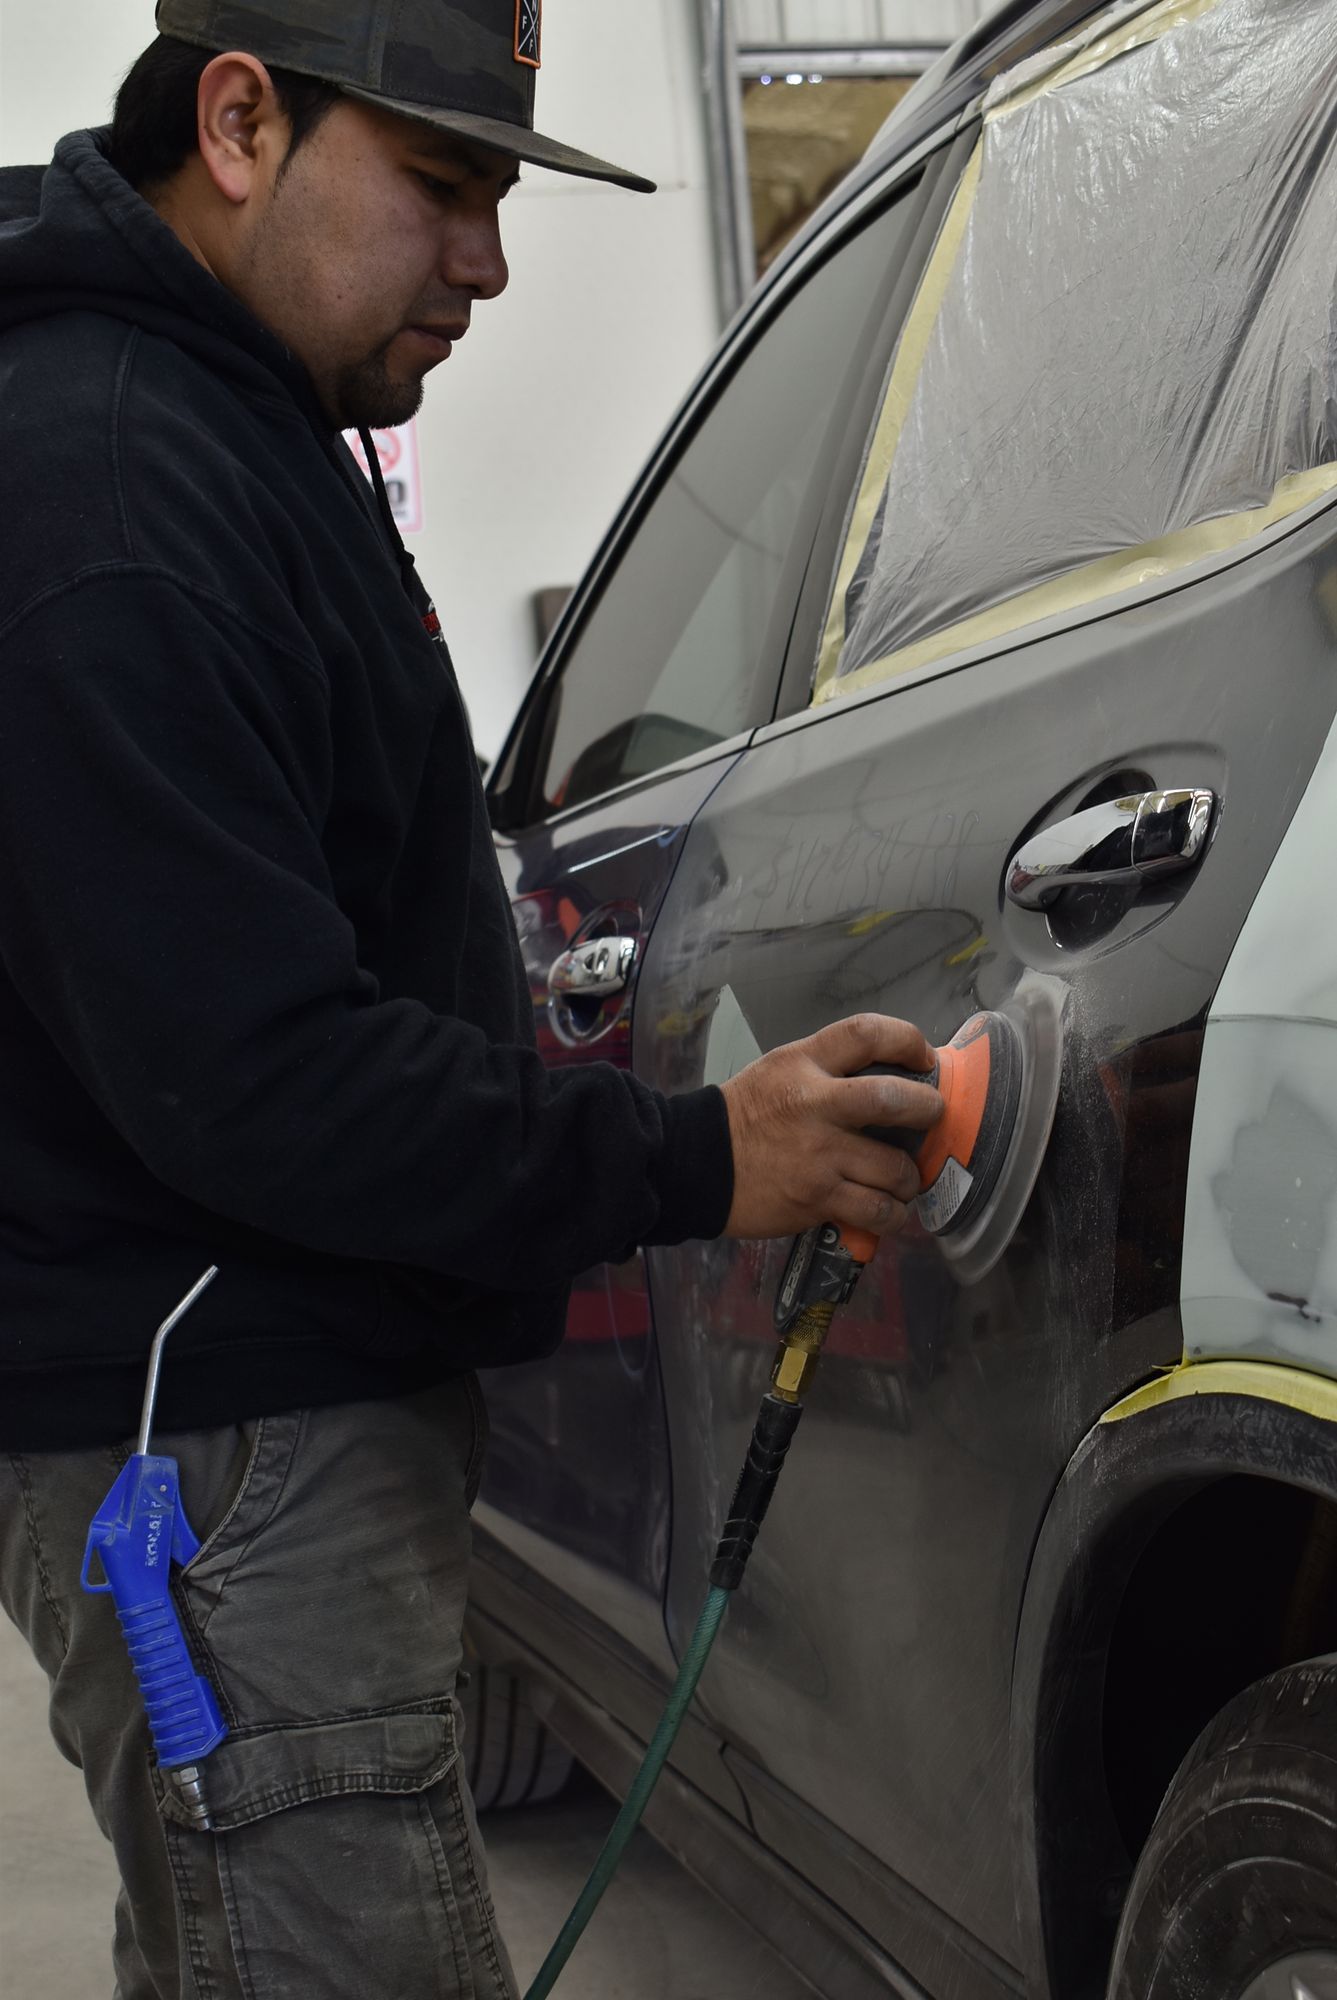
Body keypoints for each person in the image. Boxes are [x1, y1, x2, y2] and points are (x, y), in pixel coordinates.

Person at [0, 5, 943, 1994]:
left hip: (241, 1435)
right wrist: (700, 1152)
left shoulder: (221, 431)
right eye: (440, 188)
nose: (489, 261)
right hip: (232, 1454)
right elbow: (256, 1075)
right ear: (241, 122)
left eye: (497, 195)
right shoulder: (112, 490)